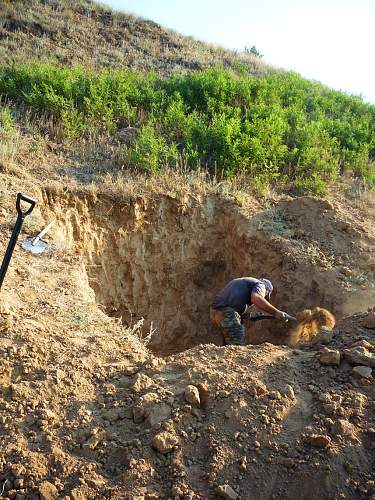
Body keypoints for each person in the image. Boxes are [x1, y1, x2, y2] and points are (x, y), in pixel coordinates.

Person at [210, 277, 289, 346]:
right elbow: (256, 298)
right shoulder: (261, 285)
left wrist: (243, 315)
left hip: (215, 312)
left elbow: (231, 302)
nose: (264, 297)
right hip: (227, 313)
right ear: (267, 290)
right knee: (237, 346)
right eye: (265, 296)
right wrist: (276, 312)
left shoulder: (246, 283)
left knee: (228, 346)